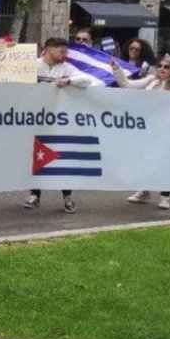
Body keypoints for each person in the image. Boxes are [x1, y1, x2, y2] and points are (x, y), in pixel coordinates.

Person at [23, 37, 103, 214]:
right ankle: (34, 194)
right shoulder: (32, 65)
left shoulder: (66, 68)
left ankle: (67, 196)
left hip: (58, 120)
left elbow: (88, 81)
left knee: (62, 155)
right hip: (34, 119)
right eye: (61, 51)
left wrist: (68, 81)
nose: (64, 54)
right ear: (49, 49)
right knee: (37, 156)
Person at [115, 54, 170, 210]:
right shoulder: (151, 79)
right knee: (145, 158)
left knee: (166, 162)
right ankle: (144, 191)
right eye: (160, 66)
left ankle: (165, 196)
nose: (161, 69)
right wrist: (117, 70)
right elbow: (128, 85)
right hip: (149, 129)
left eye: (166, 67)